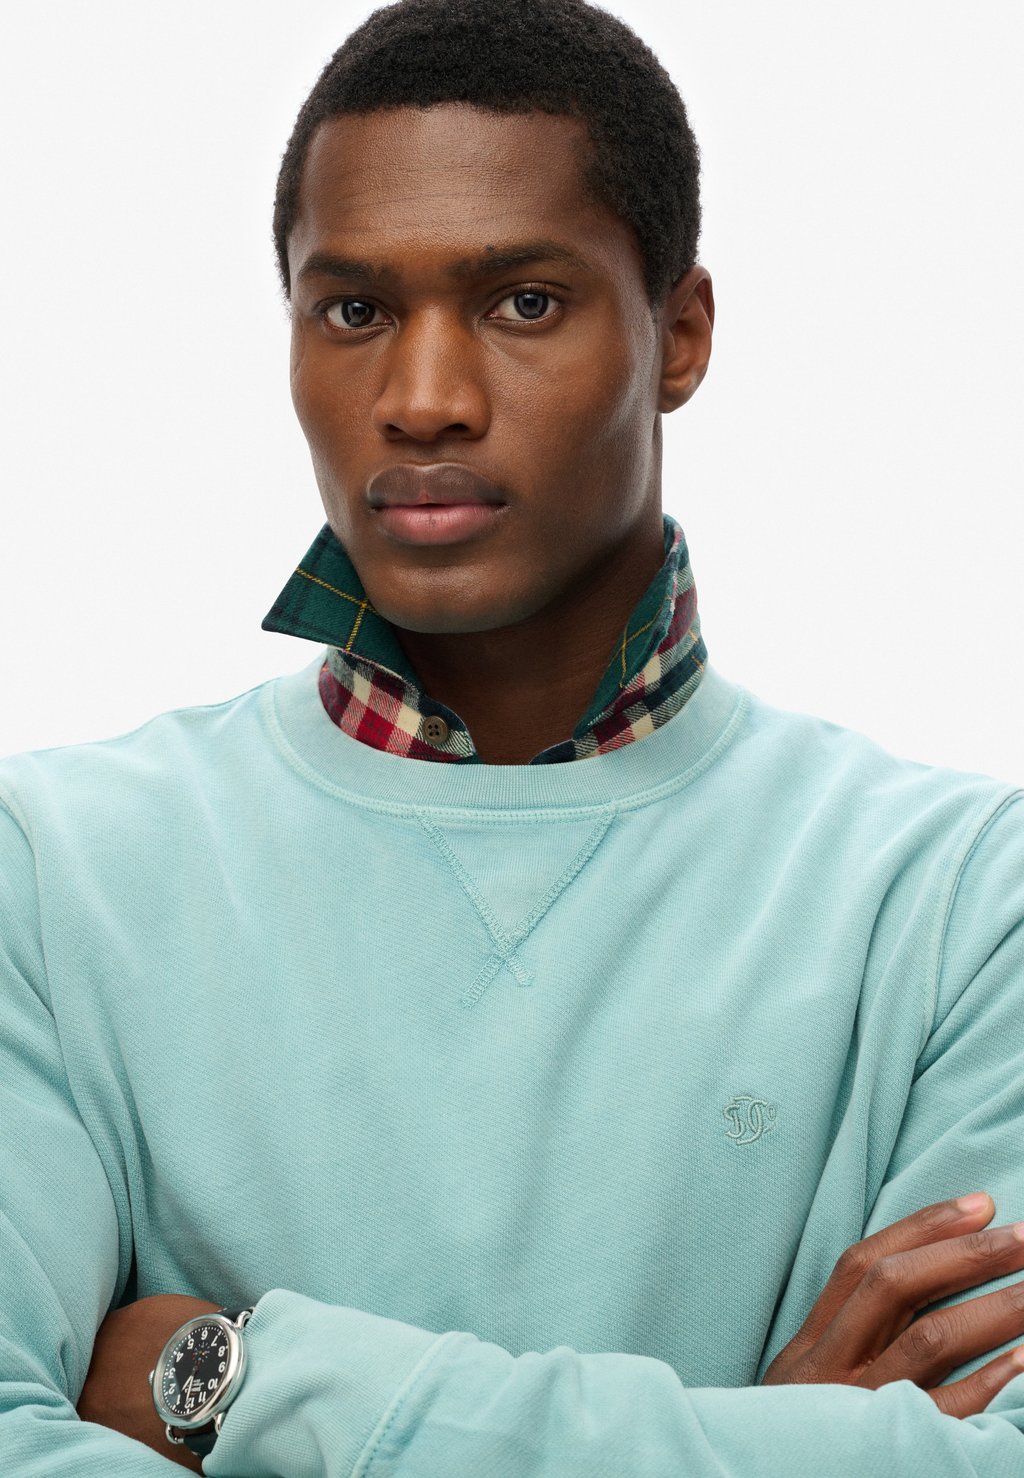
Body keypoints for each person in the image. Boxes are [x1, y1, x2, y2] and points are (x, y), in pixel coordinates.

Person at [2, 0, 1023, 1472]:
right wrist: (763, 1445)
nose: (424, 400)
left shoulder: (964, 902)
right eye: (354, 311)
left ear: (680, 334)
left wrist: (242, 1385)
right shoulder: (49, 874)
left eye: (524, 302)